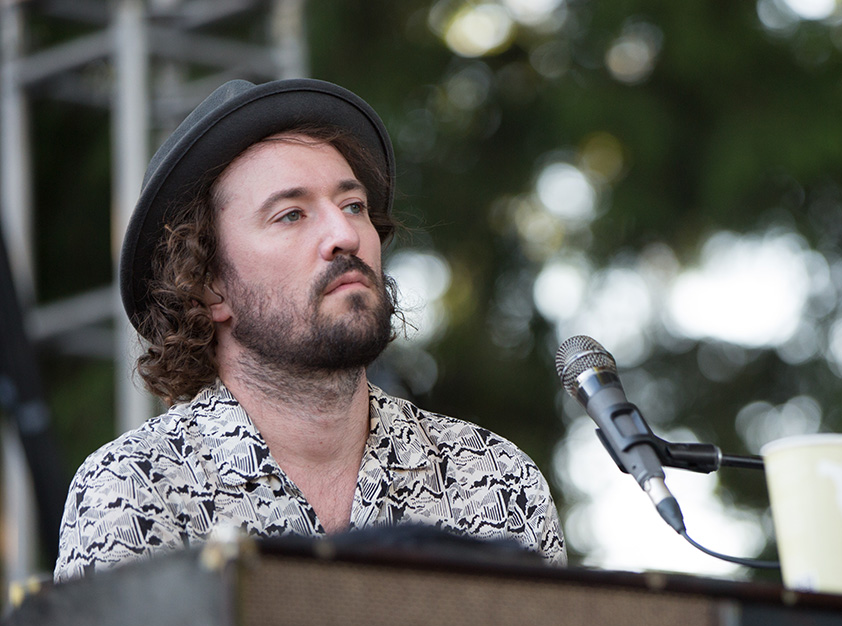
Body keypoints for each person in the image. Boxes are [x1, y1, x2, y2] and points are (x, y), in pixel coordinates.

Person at [53, 78, 565, 582]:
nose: (345, 235)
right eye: (291, 215)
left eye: (353, 206)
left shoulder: (494, 479)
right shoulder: (137, 487)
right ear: (208, 285)